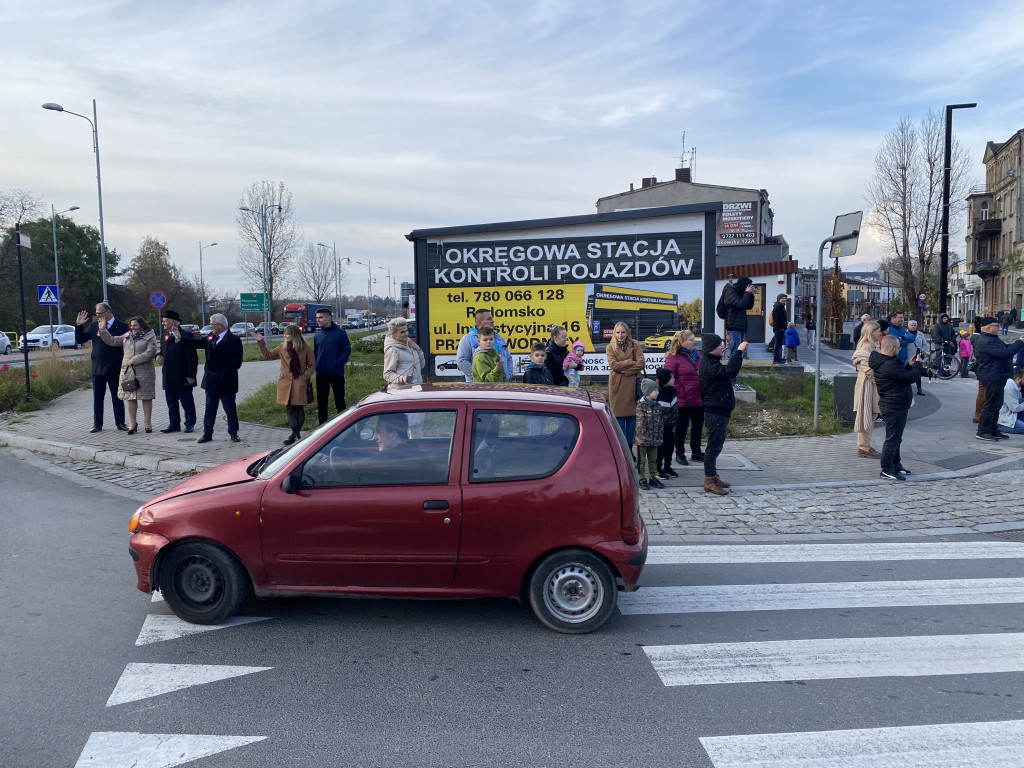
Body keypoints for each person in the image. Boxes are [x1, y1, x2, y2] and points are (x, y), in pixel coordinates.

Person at [180, 313, 244, 443]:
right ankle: (207, 433)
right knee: (209, 410)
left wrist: (222, 374)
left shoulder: (233, 340)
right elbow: (197, 343)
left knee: (230, 409)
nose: (210, 326)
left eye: (212, 324)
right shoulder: (210, 337)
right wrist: (181, 339)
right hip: (211, 382)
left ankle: (233, 432)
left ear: (220, 325)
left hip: (226, 381)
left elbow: (236, 362)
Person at [698, 332, 746, 495]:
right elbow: (730, 371)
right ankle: (709, 480)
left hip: (720, 411)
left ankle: (713, 476)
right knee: (713, 447)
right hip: (715, 412)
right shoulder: (709, 365)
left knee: (717, 445)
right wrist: (739, 351)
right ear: (711, 348)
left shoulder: (712, 362)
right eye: (719, 345)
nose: (722, 347)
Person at [869, 335, 923, 480]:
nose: (900, 350)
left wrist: (909, 366)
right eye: (899, 348)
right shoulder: (888, 364)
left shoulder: (887, 363)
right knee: (892, 439)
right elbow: (909, 378)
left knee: (896, 438)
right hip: (893, 405)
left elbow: (900, 375)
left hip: (895, 404)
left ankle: (896, 464)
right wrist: (918, 365)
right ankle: (886, 469)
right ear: (892, 348)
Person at [256, 324, 315, 445]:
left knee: (299, 408)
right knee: (289, 408)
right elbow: (268, 356)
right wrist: (260, 342)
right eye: (284, 333)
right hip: (285, 383)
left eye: (287, 333)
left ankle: (295, 435)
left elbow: (312, 365)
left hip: (299, 382)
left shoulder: (306, 348)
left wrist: (304, 378)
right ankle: (297, 436)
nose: (285, 335)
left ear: (294, 335)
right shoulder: (282, 347)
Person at [97, 316, 157, 434]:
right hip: (128, 371)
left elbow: (150, 352)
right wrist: (103, 330)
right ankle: (132, 424)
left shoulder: (150, 336)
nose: (132, 327)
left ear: (142, 325)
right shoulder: (126, 336)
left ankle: (147, 423)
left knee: (146, 397)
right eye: (131, 325)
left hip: (145, 371)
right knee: (130, 397)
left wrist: (134, 360)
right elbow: (112, 341)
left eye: (135, 325)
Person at [76, 303, 130, 432]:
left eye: (100, 313)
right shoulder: (94, 326)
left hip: (115, 366)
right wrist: (79, 326)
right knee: (98, 398)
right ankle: (97, 424)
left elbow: (127, 344)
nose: (98, 316)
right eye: (96, 314)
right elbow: (80, 339)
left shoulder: (122, 326)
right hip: (98, 367)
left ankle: (120, 422)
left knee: (117, 396)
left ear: (108, 312)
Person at [974, 316, 1024, 441]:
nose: (999, 328)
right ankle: (982, 431)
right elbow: (1004, 353)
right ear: (988, 327)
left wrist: (1017, 342)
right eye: (996, 326)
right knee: (991, 405)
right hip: (992, 376)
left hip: (997, 375)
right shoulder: (987, 340)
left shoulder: (993, 339)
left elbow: (1006, 348)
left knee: (996, 405)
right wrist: (1020, 342)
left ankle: (992, 429)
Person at [154, 309, 198, 433]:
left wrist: (191, 375)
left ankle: (189, 423)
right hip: (168, 375)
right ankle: (174, 424)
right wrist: (157, 356)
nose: (163, 324)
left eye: (165, 321)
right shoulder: (164, 337)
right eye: (163, 322)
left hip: (182, 375)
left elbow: (193, 358)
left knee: (187, 402)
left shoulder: (186, 336)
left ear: (173, 322)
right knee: (171, 403)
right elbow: (162, 351)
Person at [664, 330, 704, 465]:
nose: (694, 342)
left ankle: (696, 452)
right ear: (682, 342)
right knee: (682, 427)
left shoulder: (697, 355)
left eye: (693, 339)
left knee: (697, 426)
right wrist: (682, 392)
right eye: (691, 340)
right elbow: (671, 378)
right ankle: (680, 453)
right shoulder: (673, 357)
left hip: (699, 397)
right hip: (684, 399)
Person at [606, 321, 646, 451]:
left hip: (633, 385)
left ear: (627, 333)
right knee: (619, 418)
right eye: (617, 332)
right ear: (614, 333)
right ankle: (621, 450)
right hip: (618, 387)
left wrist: (626, 370)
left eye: (623, 332)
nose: (620, 335)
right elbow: (613, 366)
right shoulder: (610, 347)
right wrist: (630, 362)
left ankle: (629, 449)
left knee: (632, 418)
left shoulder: (635, 345)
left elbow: (641, 364)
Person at [313, 307, 351, 425]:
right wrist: (316, 365)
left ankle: (343, 427)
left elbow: (346, 350)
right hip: (321, 374)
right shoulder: (317, 335)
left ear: (329, 318)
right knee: (322, 403)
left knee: (340, 402)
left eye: (320, 317)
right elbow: (315, 352)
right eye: (317, 318)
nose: (318, 320)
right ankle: (321, 428)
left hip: (336, 373)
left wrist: (337, 363)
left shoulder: (340, 333)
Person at [456, 308, 513, 382]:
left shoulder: (499, 338)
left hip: (502, 384)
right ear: (480, 322)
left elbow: (508, 358)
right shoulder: (468, 339)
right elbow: (461, 360)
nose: (493, 321)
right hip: (480, 387)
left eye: (492, 318)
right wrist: (477, 377)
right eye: (489, 319)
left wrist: (508, 375)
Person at [852, 320, 881, 459]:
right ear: (871, 331)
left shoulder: (873, 344)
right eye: (878, 331)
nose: (880, 333)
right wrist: (880, 380)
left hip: (871, 383)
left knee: (872, 415)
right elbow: (865, 367)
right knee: (867, 415)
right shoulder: (865, 346)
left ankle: (865, 446)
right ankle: (864, 447)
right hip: (867, 384)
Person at [720, 277, 756, 386]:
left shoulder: (740, 292)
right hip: (733, 327)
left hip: (740, 327)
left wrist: (752, 294)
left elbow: (748, 305)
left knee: (738, 354)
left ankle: (733, 379)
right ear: (744, 285)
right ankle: (730, 380)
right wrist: (747, 293)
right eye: (748, 286)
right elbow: (740, 304)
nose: (749, 288)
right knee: (735, 353)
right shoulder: (730, 291)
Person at [633, 378, 664, 490]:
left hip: (655, 439)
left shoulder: (658, 406)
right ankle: (641, 478)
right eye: (655, 390)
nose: (657, 392)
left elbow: (660, 422)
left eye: (657, 390)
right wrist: (645, 436)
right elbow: (641, 423)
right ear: (647, 392)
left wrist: (660, 435)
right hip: (643, 439)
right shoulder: (641, 406)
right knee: (641, 460)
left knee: (653, 459)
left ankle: (653, 477)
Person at [383, 316, 424, 387]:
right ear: (393, 334)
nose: (406, 334)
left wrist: (418, 349)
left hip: (416, 389)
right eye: (402, 332)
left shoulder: (411, 345)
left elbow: (422, 366)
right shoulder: (392, 350)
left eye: (406, 330)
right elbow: (387, 374)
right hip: (401, 391)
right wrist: (402, 378)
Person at [654, 367, 678, 480]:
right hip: (661, 427)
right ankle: (658, 469)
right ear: (665, 380)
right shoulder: (658, 394)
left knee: (670, 447)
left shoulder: (673, 391)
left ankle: (668, 467)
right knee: (661, 449)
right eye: (671, 377)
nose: (674, 379)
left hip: (671, 425)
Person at [998, 368, 1024, 435]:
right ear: (1018, 379)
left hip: (1012, 414)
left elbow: (1018, 401)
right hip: (1005, 416)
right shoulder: (1010, 388)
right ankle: (998, 427)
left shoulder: (1016, 387)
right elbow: (1015, 408)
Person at [907, 320, 928, 395]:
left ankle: (919, 389)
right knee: (907, 373)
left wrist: (921, 350)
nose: (913, 326)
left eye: (914, 325)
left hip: (917, 356)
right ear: (908, 326)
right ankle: (907, 390)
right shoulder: (906, 333)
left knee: (918, 373)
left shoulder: (920, 334)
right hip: (908, 356)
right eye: (911, 325)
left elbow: (925, 344)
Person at [769, 294, 788, 365]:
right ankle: (776, 359)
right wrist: (781, 328)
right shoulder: (778, 307)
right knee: (778, 344)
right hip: (779, 329)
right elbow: (778, 320)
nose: (784, 299)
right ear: (779, 299)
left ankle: (778, 358)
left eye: (785, 298)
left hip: (779, 328)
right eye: (782, 298)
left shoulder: (780, 306)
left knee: (779, 344)